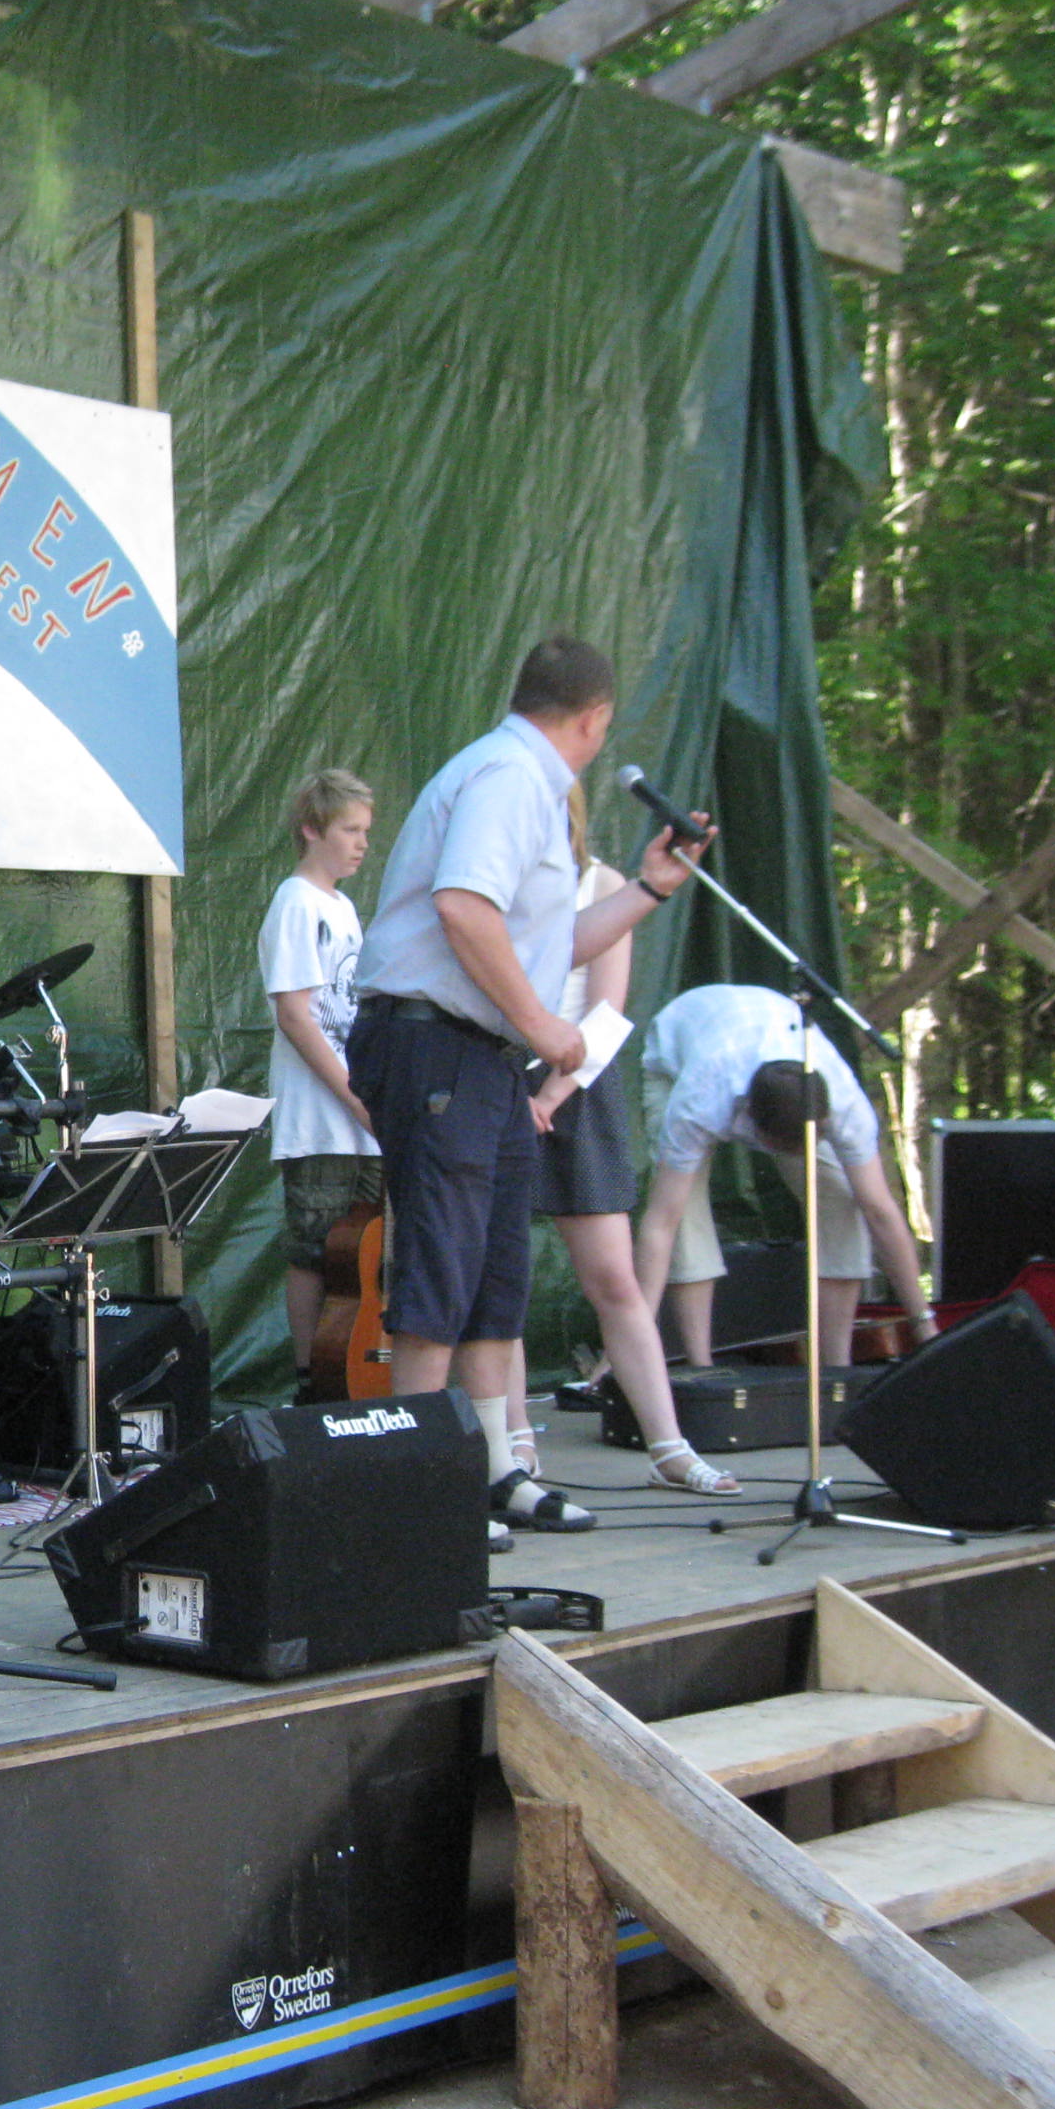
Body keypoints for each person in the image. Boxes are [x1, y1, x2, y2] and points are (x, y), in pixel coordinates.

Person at [346, 636, 706, 1540]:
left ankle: (495, 1470)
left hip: (485, 1056)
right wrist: (545, 1027)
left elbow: (545, 946)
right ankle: (420, 1487)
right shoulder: (508, 776)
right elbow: (462, 906)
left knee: (496, 1271)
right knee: (441, 1265)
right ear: (595, 719)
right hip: (438, 1044)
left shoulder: (532, 789)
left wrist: (651, 888)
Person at [526, 814, 740, 1498]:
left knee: (616, 1281)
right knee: (496, 1281)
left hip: (577, 1086)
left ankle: (669, 1447)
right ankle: (515, 1447)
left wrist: (552, 1095)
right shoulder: (492, 883)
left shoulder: (604, 884)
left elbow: (607, 1015)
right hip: (496, 1077)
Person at [632, 983, 938, 1369]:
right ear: (757, 1132)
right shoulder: (701, 1100)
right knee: (685, 1215)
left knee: (841, 1196)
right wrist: (631, 1336)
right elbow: (661, 1223)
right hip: (679, 1050)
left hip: (760, 1034)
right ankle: (702, 1370)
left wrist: (924, 1325)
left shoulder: (844, 1103)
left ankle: (835, 1367)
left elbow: (880, 1211)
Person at [258, 768, 383, 1366]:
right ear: (312, 829)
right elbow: (296, 1016)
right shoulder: (295, 902)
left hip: (362, 1117)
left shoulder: (343, 905)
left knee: (366, 1253)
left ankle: (359, 1369)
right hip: (321, 1117)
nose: (362, 844)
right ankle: (314, 1375)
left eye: (366, 831)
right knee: (315, 1251)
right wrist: (355, 1098)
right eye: (350, 830)